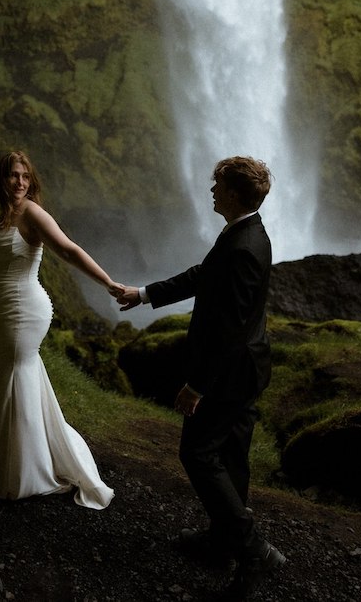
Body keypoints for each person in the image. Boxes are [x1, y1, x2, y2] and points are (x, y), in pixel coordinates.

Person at [113, 155, 285, 600]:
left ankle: (252, 551)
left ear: (232, 192)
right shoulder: (244, 234)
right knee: (232, 456)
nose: (210, 191)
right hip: (244, 369)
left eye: (217, 185)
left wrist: (197, 386)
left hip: (229, 373)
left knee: (198, 453)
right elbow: (203, 277)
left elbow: (229, 329)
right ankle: (222, 541)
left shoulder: (244, 245)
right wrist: (145, 294)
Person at [0, 150, 115, 509]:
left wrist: (107, 283)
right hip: (7, 310)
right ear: (2, 178)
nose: (20, 182)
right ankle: (19, 462)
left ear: (32, 180)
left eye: (25, 176)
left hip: (26, 309)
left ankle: (26, 474)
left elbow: (69, 251)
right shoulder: (5, 215)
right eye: (13, 175)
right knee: (7, 378)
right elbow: (0, 268)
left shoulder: (32, 213)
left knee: (16, 378)